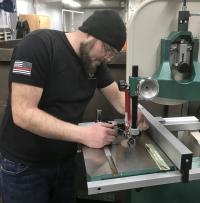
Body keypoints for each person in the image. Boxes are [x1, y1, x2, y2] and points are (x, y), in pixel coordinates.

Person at [0, 10, 147, 203]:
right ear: (91, 34)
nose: (109, 58)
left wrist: (135, 112)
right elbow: (23, 113)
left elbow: (118, 99)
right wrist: (85, 134)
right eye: (108, 50)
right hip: (25, 167)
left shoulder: (94, 62)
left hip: (65, 162)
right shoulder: (38, 45)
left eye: (114, 54)